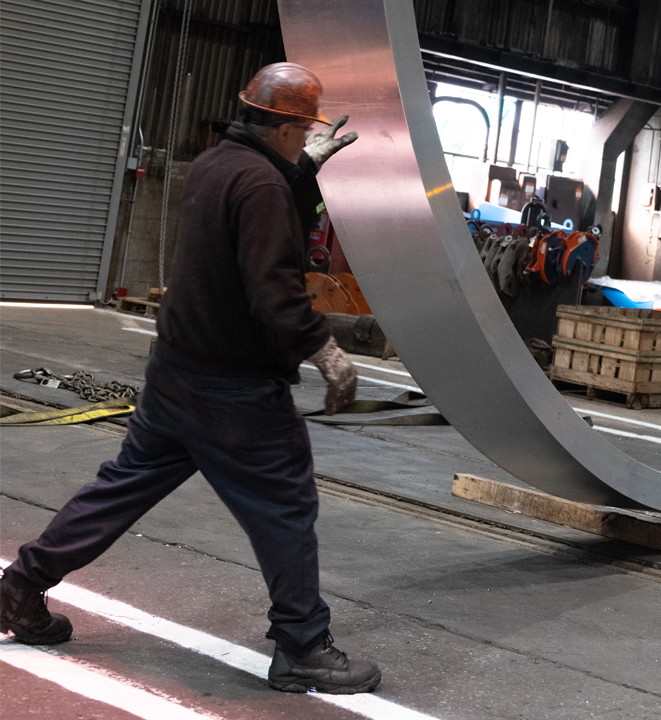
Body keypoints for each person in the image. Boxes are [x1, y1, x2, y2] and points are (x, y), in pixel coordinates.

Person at [0, 63, 379, 695]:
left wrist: (302, 167)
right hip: (235, 390)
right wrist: (327, 351)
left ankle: (18, 589)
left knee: (118, 491)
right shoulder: (261, 184)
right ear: (288, 124)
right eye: (304, 127)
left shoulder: (216, 164)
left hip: (176, 373)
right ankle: (303, 647)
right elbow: (273, 287)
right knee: (285, 506)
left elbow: (248, 210)